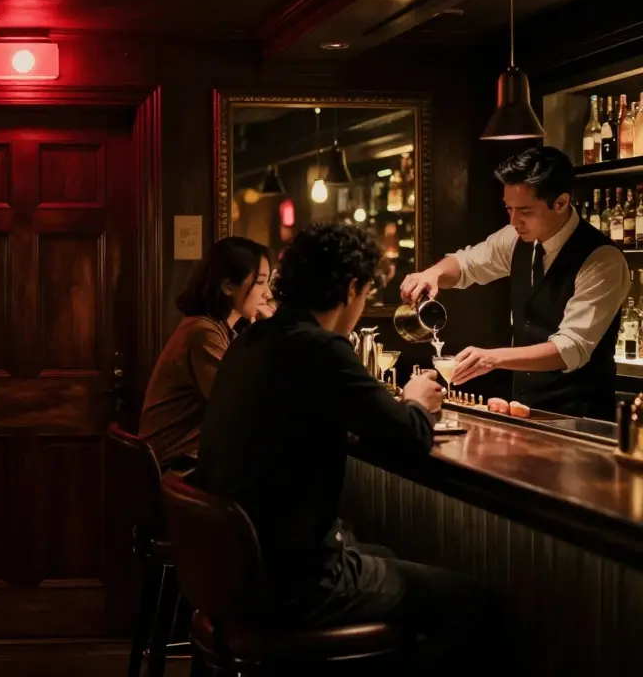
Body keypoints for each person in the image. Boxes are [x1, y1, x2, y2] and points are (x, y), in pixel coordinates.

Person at [195, 223, 490, 674]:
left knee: (388, 560)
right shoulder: (320, 347)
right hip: (296, 583)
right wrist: (416, 401)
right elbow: (409, 436)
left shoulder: (252, 341)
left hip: (233, 575)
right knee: (470, 602)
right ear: (352, 288)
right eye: (367, 293)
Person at [401, 146, 629, 420]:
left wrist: (492, 358)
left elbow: (571, 348)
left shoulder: (602, 259)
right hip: (523, 408)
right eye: (508, 208)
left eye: (525, 211)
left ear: (561, 203)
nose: (513, 220)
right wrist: (433, 274)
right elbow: (467, 264)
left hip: (582, 419)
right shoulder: (516, 238)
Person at [139, 236, 270, 474]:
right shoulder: (203, 333)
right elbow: (240, 407)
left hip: (190, 461)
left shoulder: (220, 330)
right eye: (261, 282)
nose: (267, 294)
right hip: (177, 469)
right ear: (228, 286)